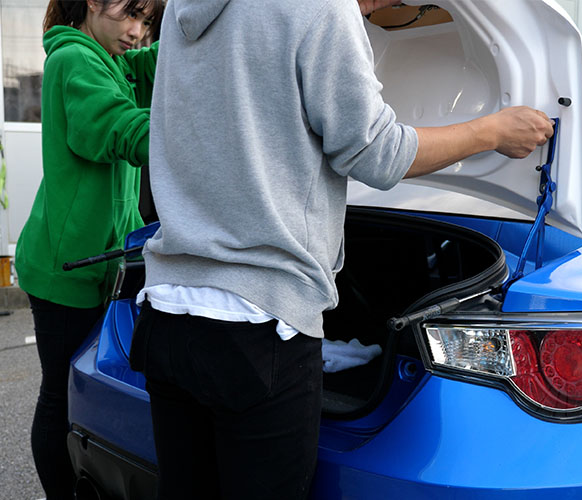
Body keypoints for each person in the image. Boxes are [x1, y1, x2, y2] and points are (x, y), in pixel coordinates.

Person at [129, 0, 554, 498]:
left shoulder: (186, 8)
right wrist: (492, 131)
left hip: (167, 311)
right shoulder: (320, 9)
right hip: (258, 323)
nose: (396, 11)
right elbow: (378, 154)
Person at [13, 0, 164, 497]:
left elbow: (163, 59)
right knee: (61, 395)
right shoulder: (73, 58)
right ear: (94, 1)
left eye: (146, 20)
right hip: (65, 268)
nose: (138, 31)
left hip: (100, 263)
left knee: (83, 389)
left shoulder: (114, 61)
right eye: (131, 14)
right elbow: (111, 126)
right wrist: (190, 138)